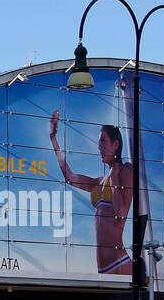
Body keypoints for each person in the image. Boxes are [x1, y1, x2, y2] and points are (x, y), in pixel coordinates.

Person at [51, 110, 134, 275]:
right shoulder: (98, 181)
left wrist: (115, 177)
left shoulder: (125, 171)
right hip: (103, 267)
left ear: (115, 144)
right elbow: (70, 177)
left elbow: (120, 214)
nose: (99, 148)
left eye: (103, 141)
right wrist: (53, 139)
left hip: (119, 263)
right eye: (98, 143)